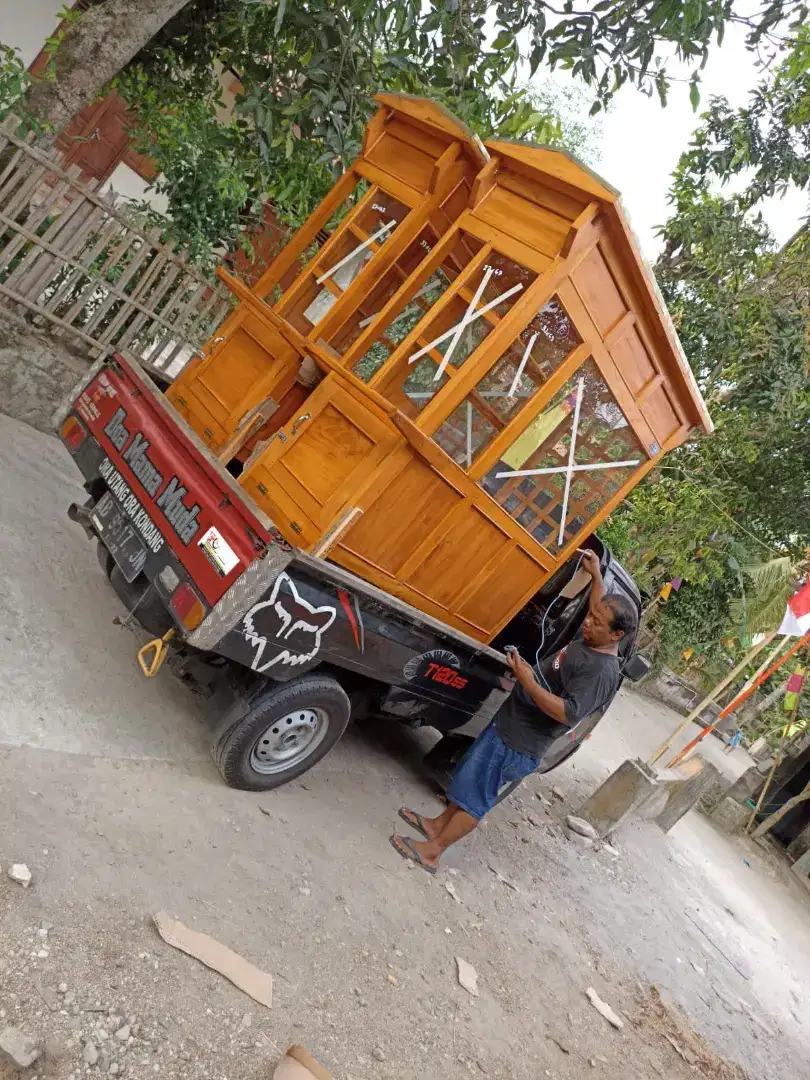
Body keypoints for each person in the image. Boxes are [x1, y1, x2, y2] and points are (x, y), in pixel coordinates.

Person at [389, 549, 637, 873]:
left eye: (596, 622)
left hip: (519, 743)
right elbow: (599, 608)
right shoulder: (596, 637)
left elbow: (568, 713)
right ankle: (437, 827)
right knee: (467, 782)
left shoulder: (601, 672)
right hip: (508, 727)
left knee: (475, 799)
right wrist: (596, 577)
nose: (588, 622)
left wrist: (528, 681)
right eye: (590, 616)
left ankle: (432, 853)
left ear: (617, 635)